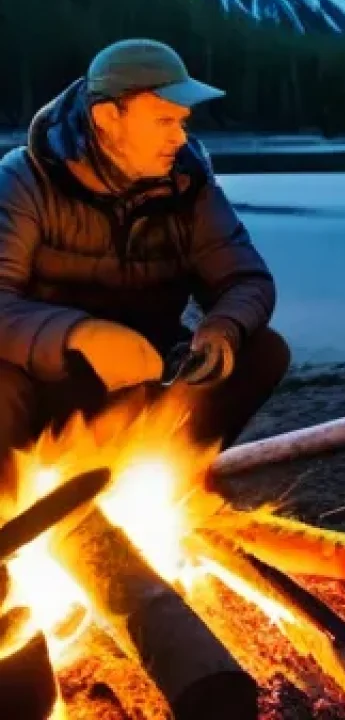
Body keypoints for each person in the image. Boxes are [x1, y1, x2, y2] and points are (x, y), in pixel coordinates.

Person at [0, 38, 290, 499]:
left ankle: (161, 484)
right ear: (107, 118)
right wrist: (81, 334)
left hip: (150, 376)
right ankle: (13, 510)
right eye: (164, 120)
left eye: (181, 122)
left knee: (262, 351)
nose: (180, 137)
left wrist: (222, 328)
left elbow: (245, 279)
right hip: (50, 383)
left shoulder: (187, 183)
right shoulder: (24, 180)